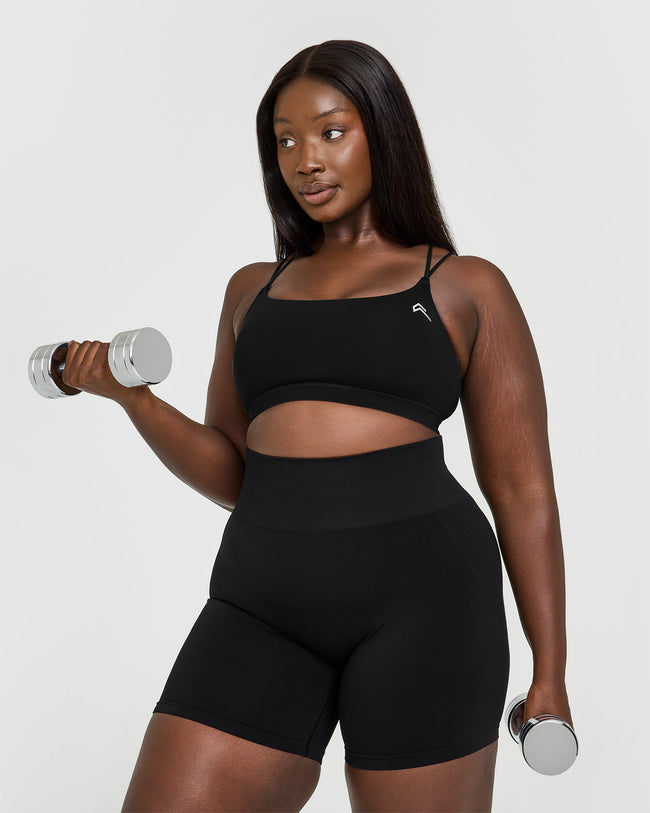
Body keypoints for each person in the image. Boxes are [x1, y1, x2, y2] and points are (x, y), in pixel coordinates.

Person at [62, 40, 573, 813]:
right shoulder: (251, 291)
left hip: (427, 603)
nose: (306, 159)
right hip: (261, 602)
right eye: (285, 140)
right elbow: (233, 473)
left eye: (331, 132)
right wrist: (135, 400)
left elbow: (523, 489)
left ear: (383, 133)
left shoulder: (463, 285)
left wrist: (551, 671)